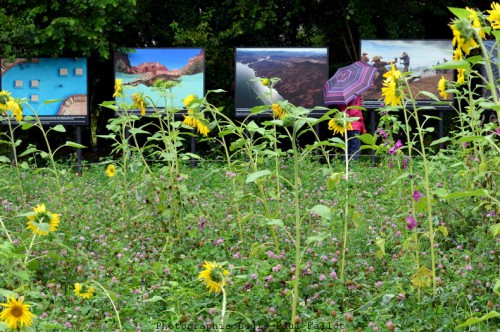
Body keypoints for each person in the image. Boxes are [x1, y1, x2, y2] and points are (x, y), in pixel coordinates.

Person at [339, 95, 366, 161]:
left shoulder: (342, 98)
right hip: (354, 125)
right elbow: (355, 112)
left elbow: (341, 108)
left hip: (345, 124)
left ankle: (344, 164)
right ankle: (353, 165)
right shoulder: (355, 96)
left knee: (347, 146)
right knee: (355, 147)